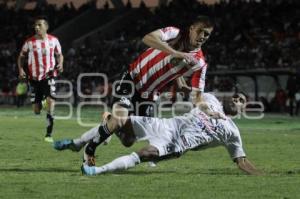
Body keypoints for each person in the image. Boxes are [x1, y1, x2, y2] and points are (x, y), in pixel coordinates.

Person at [56, 15, 214, 162]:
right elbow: (148, 38)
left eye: (207, 34)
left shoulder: (199, 63)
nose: (202, 37)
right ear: (192, 28)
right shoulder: (174, 33)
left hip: (150, 95)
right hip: (133, 78)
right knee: (119, 121)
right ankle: (89, 150)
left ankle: (108, 119)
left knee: (128, 140)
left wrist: (200, 103)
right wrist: (175, 52)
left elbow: (196, 95)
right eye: (200, 31)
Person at [80, 92, 261, 175]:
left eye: (241, 101)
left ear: (243, 109)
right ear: (228, 97)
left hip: (177, 144)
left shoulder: (232, 132)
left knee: (143, 154)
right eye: (236, 97)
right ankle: (109, 122)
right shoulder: (211, 99)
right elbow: (194, 93)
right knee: (122, 122)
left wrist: (261, 175)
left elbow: (241, 161)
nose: (236, 100)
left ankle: (96, 170)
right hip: (167, 125)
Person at [17, 16, 64, 142]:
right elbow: (21, 57)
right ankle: (42, 101)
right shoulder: (29, 42)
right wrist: (21, 70)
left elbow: (59, 55)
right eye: (35, 25)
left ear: (46, 27)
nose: (36, 27)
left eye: (39, 25)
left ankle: (48, 135)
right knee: (36, 111)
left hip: (49, 75)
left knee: (51, 102)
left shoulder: (54, 40)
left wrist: (60, 64)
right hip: (33, 78)